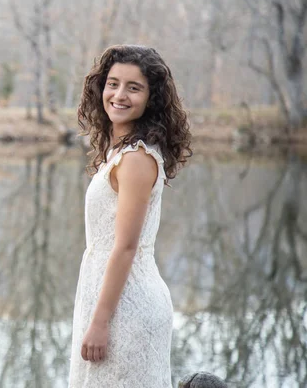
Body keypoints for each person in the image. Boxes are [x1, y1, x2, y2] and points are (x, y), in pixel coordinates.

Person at [69, 44, 192, 387]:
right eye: (113, 83)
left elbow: (125, 247)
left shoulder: (136, 158)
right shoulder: (119, 151)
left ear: (151, 98)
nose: (119, 95)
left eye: (133, 87)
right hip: (105, 298)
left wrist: (101, 321)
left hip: (128, 307)